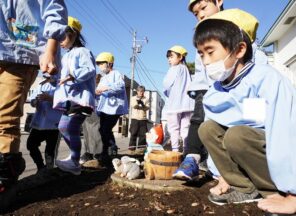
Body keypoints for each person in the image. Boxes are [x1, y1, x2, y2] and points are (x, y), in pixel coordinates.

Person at [194, 9, 296, 210]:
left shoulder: (265, 80)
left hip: (285, 153)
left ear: (239, 50)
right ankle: (245, 187)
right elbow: (227, 132)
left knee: (237, 135)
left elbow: (284, 134)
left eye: (210, 51)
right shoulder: (217, 90)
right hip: (257, 145)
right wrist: (222, 174)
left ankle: (276, 192)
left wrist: (293, 192)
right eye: (201, 54)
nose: (205, 62)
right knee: (207, 128)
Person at [173, 0, 268, 181]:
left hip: (247, 96)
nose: (200, 14)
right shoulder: (202, 35)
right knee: (204, 123)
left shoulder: (239, 26)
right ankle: (204, 163)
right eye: (195, 13)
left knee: (244, 130)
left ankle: (254, 174)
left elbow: (258, 121)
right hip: (212, 87)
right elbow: (204, 71)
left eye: (203, 7)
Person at [0, 0, 67, 194]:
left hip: (18, 53)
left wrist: (51, 50)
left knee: (5, 118)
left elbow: (54, 9)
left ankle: (5, 181)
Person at [54, 16, 96, 175]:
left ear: (73, 34)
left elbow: (90, 70)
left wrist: (73, 76)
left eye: (62, 37)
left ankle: (74, 162)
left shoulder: (83, 51)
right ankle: (74, 157)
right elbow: (63, 77)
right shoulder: (67, 55)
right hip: (71, 99)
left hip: (82, 99)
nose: (60, 41)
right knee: (63, 127)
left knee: (71, 127)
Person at [95, 52, 128, 163]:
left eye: (101, 64)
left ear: (109, 63)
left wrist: (106, 88)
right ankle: (106, 151)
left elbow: (121, 86)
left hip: (114, 109)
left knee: (105, 129)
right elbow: (99, 90)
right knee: (102, 129)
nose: (99, 67)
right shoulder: (104, 78)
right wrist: (97, 92)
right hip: (104, 108)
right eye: (98, 64)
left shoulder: (116, 74)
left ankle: (112, 149)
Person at [27, 75, 62, 172]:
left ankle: (50, 171)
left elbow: (67, 104)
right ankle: (40, 167)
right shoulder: (41, 85)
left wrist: (50, 99)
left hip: (54, 124)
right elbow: (32, 99)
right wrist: (35, 102)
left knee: (50, 151)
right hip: (39, 123)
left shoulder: (63, 86)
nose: (47, 77)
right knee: (31, 144)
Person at [163, 45, 194, 153]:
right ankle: (186, 150)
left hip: (175, 104)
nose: (169, 60)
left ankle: (175, 151)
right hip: (188, 104)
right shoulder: (186, 69)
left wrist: (168, 93)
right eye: (168, 57)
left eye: (171, 57)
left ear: (180, 57)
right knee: (185, 128)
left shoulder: (174, 68)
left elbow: (166, 84)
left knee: (173, 128)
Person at [79, 74, 103, 164]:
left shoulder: (100, 90)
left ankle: (97, 154)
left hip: (96, 113)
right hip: (87, 112)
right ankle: (88, 153)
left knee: (95, 134)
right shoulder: (89, 88)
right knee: (87, 134)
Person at [128, 85, 150, 154]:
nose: (141, 93)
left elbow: (147, 108)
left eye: (143, 91)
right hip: (135, 118)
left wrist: (143, 104)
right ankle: (131, 149)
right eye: (140, 91)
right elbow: (134, 106)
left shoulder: (146, 99)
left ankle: (141, 150)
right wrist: (139, 103)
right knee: (133, 133)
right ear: (137, 91)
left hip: (143, 119)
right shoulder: (133, 98)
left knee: (143, 135)